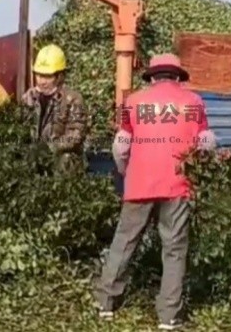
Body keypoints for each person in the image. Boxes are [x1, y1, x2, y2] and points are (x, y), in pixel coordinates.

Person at [93, 53, 216, 330]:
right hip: (177, 184)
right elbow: (206, 142)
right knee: (173, 249)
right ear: (177, 76)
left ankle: (105, 304)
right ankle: (168, 316)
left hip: (139, 184)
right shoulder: (193, 103)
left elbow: (120, 146)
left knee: (124, 241)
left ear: (152, 76)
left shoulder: (133, 102)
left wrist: (127, 171)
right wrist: (199, 168)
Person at [22, 44, 87, 174]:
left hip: (61, 159)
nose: (41, 81)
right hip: (35, 156)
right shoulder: (29, 98)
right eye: (39, 75)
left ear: (60, 77)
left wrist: (50, 148)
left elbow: (76, 134)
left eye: (47, 76)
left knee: (66, 160)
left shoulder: (73, 99)